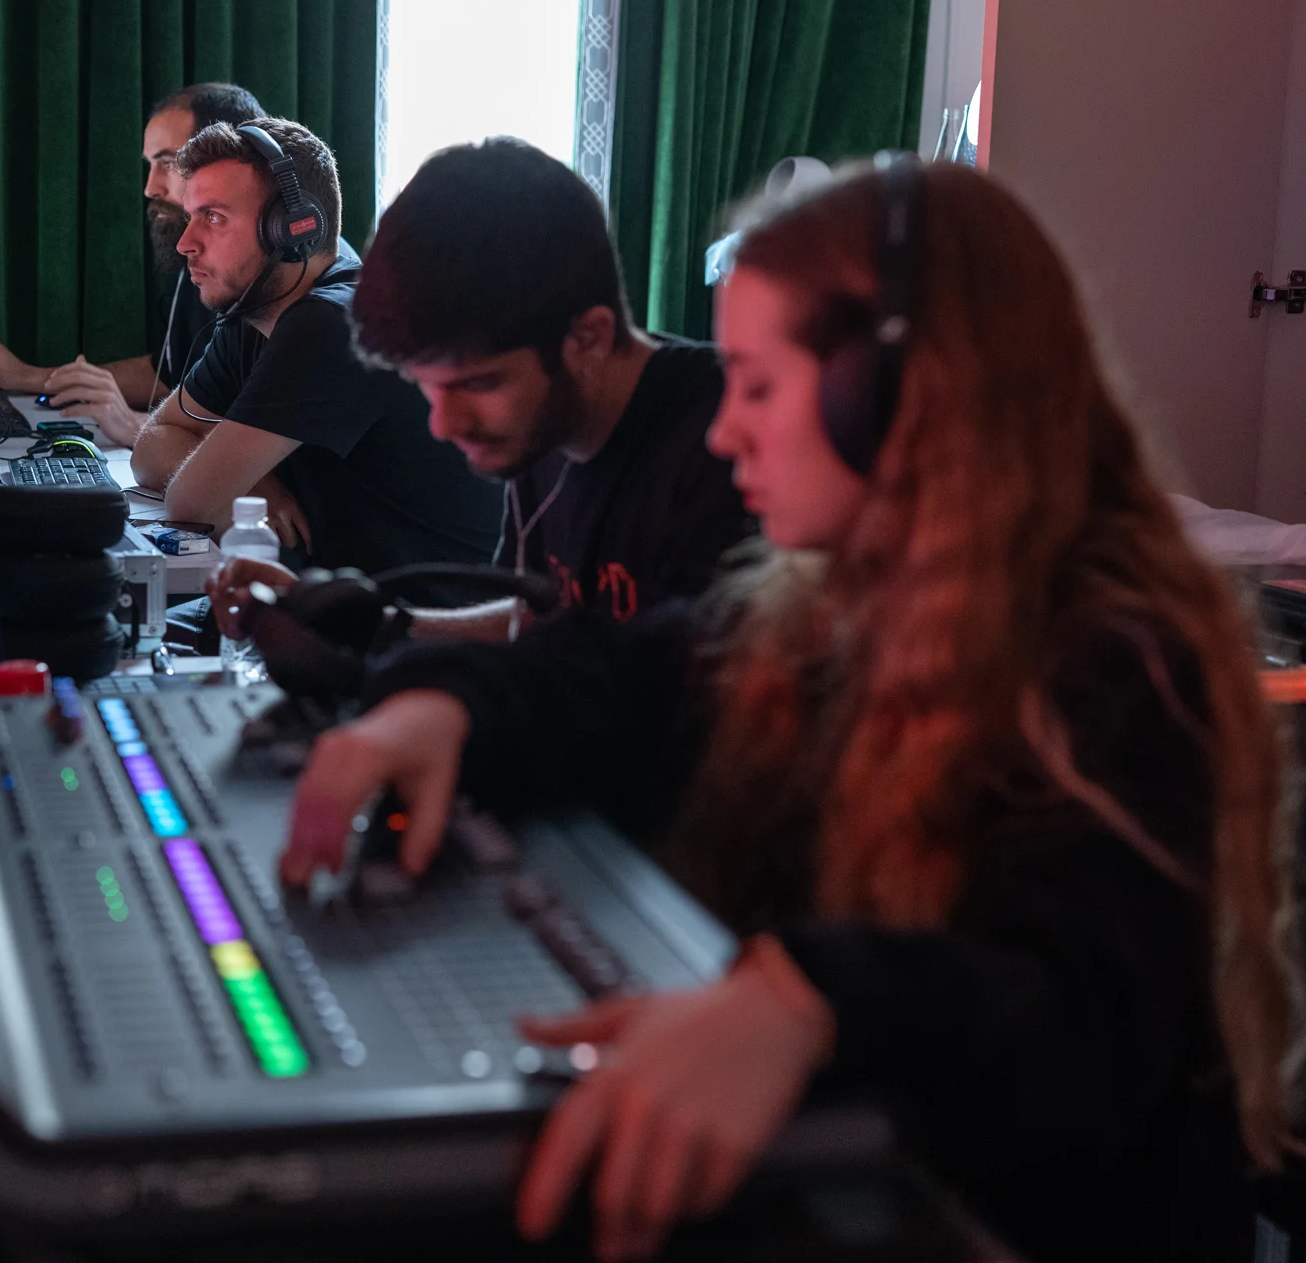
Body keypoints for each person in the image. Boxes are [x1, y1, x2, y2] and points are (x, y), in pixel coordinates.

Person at [279, 159, 1298, 1261]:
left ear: (899, 399)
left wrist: (812, 1003)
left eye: (759, 389)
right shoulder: (819, 606)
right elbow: (618, 675)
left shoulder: (1119, 659)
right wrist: (437, 706)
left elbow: (1081, 1007)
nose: (724, 433)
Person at [207, 138, 752, 641]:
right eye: (427, 386)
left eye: (479, 383)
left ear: (588, 339)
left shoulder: (728, 451)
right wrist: (367, 624)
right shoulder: (548, 418)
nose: (446, 424)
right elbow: (533, 620)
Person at [130, 117, 500, 602]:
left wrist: (229, 482)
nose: (186, 243)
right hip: (343, 600)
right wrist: (256, 484)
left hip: (428, 620)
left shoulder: (331, 324)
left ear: (291, 229)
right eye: (191, 215)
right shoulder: (254, 311)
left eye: (214, 217)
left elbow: (190, 502)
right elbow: (151, 445)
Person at [0, 82, 266, 446]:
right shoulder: (198, 259)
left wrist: (133, 425)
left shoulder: (283, 290)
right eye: (150, 164)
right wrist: (31, 377)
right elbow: (168, 373)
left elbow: (256, 454)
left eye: (168, 163)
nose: (150, 188)